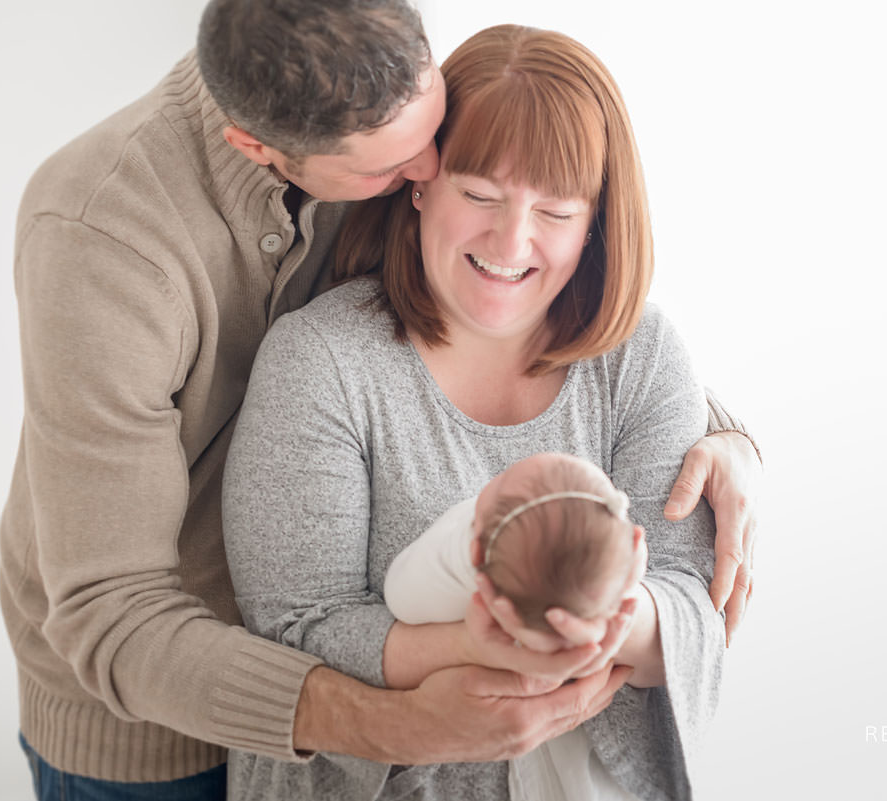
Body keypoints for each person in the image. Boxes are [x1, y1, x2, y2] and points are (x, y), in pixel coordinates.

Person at [0, 0, 759, 797]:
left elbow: (573, 339)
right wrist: (421, 707)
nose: (425, 167)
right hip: (153, 704)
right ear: (260, 148)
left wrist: (724, 432)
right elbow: (114, 611)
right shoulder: (100, 237)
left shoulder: (374, 126)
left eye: (433, 124)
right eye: (393, 173)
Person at [222, 24, 728, 800]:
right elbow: (297, 627)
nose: (510, 240)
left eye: (555, 211)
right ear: (422, 181)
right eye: (480, 195)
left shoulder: (641, 355)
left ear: (595, 219)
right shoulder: (322, 362)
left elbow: (693, 599)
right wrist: (475, 644)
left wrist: (578, 627)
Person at [384, 452, 653, 801]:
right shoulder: (610, 585)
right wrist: (623, 586)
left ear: (478, 553)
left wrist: (466, 557)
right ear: (634, 542)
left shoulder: (459, 576)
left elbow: (399, 593)